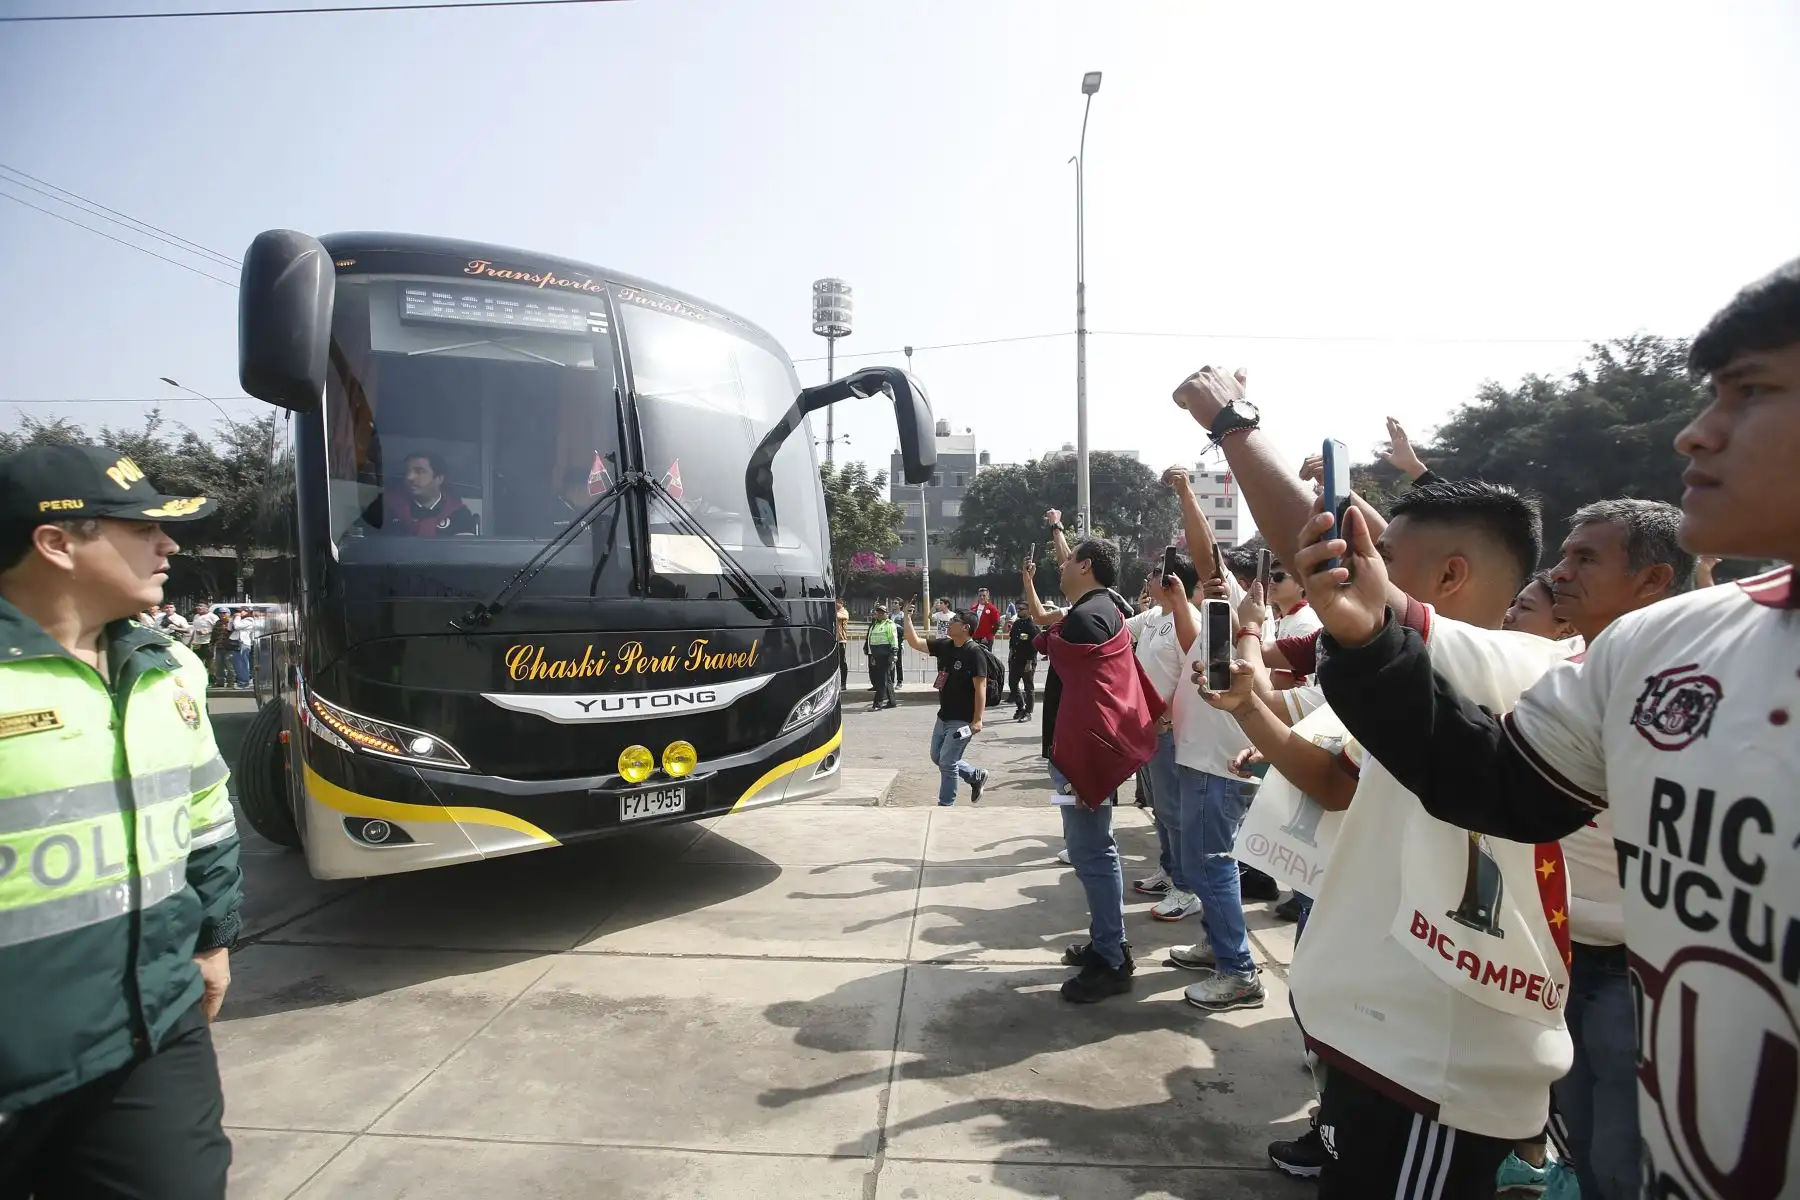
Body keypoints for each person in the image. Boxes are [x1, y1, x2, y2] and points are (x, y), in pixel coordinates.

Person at [1175, 367, 1579, 1194]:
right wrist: (1251, 699)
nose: (1349, 569)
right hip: (1381, 1042)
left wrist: (1233, 423)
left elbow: (1308, 550)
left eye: (1381, 558)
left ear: (1451, 579)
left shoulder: (1528, 669)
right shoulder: (1413, 683)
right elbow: (1335, 781)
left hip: (1437, 1065)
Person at [0, 444, 243, 1198]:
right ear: (56, 542)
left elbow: (205, 814)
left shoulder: (169, 667)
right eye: (141, 529)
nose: (169, 545)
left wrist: (212, 939)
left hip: (152, 1027)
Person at [1022, 537, 1163, 1002]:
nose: (1059, 568)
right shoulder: (1102, 611)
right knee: (1089, 851)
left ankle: (1111, 958)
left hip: (1081, 762)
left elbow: (1099, 701)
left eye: (1065, 561)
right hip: (1077, 759)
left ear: (1085, 566)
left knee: (1093, 853)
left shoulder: (1086, 619)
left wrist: (1089, 773)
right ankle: (1108, 940)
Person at [900, 604, 989, 806]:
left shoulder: (974, 653)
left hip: (962, 720)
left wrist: (977, 720)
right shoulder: (945, 646)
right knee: (937, 757)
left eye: (955, 621)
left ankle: (946, 805)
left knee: (947, 762)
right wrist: (907, 617)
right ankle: (974, 775)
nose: (950, 623)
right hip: (944, 716)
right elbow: (914, 642)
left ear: (965, 627)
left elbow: (980, 688)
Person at [368, 451, 476, 537]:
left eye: (419, 471)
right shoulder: (385, 508)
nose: (409, 477)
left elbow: (463, 557)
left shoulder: (460, 514)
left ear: (438, 479)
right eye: (407, 472)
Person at [1007, 603, 1040, 721]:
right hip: (1016, 659)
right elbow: (1012, 639)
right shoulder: (1017, 624)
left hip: (1027, 660)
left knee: (1028, 686)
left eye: (1022, 609)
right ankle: (1020, 707)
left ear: (1029, 611)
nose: (1019, 611)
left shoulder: (1032, 626)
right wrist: (1010, 654)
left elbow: (1035, 646)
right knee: (1012, 683)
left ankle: (1028, 712)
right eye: (1018, 609)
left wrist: (1030, 662)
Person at [865, 604, 899, 711]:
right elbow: (870, 639)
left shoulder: (889, 624)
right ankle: (892, 702)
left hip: (885, 655)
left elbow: (893, 639)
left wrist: (894, 654)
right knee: (886, 679)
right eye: (878, 612)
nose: (879, 614)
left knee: (881, 680)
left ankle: (877, 704)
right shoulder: (874, 624)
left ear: (887, 614)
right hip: (876, 655)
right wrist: (870, 653)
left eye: (882, 612)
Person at [835, 598, 850, 689]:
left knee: (842, 662)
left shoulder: (844, 612)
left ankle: (843, 683)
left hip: (841, 640)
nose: (835, 604)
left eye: (836, 603)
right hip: (834, 640)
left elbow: (839, 616)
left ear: (841, 603)